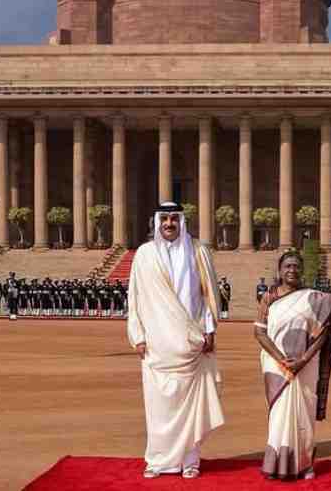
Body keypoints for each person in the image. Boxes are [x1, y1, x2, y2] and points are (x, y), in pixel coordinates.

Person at [127, 202, 224, 479]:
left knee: (191, 407)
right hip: (157, 344)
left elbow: (209, 294)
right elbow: (134, 298)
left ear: (181, 221)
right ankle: (158, 460)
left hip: (191, 342)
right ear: (157, 222)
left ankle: (190, 460)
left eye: (174, 218)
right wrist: (138, 335)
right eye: (164, 219)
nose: (169, 223)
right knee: (158, 407)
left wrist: (209, 329)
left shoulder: (198, 251)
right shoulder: (144, 255)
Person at [254, 250, 331, 480]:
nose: (292, 270)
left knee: (304, 414)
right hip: (275, 364)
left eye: (296, 266)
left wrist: (303, 359)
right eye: (287, 266)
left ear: (302, 269)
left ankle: (304, 464)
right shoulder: (269, 297)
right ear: (280, 270)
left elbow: (322, 334)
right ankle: (276, 465)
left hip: (306, 364)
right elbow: (259, 333)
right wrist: (281, 358)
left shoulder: (315, 298)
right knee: (279, 414)